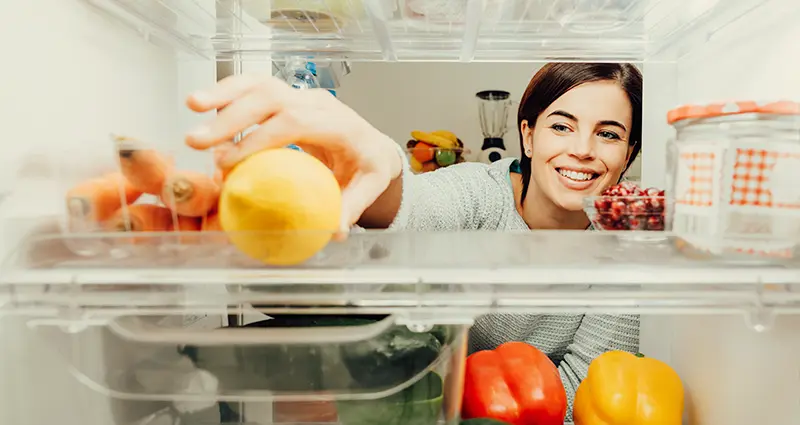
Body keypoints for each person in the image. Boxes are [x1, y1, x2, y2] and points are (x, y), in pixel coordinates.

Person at [185, 62, 642, 419]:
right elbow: (414, 209)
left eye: (608, 134)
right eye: (561, 126)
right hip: (423, 400)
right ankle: (191, 367)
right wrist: (379, 166)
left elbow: (588, 391)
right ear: (527, 135)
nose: (583, 148)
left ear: (629, 156)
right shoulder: (479, 191)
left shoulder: (624, 249)